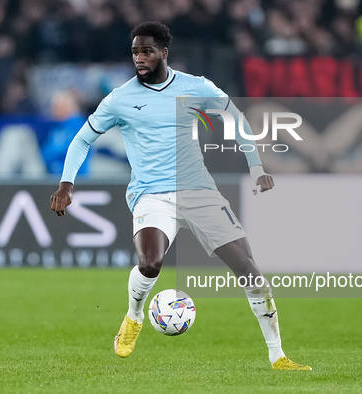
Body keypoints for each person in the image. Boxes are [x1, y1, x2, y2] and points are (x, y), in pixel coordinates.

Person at [50, 21, 311, 371]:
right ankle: (134, 317)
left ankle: (277, 355)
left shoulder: (195, 87)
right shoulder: (120, 98)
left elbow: (235, 117)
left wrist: (255, 167)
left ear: (164, 53)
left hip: (199, 190)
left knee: (249, 272)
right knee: (150, 263)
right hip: (150, 194)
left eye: (146, 51)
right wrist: (67, 183)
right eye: (134, 52)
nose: (139, 58)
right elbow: (83, 139)